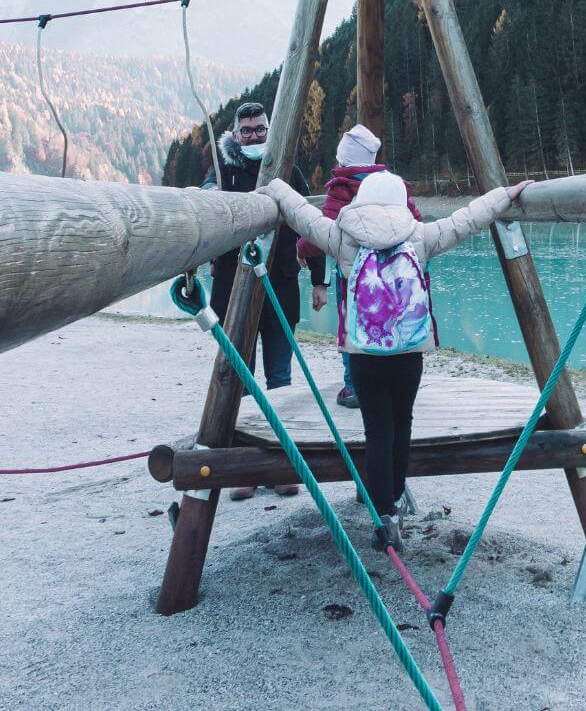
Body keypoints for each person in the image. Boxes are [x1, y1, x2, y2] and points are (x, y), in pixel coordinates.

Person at [261, 170, 533, 551]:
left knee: (377, 431)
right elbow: (468, 219)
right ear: (399, 201)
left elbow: (300, 213)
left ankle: (382, 513)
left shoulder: (341, 237)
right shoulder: (419, 236)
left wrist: (275, 185)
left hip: (364, 356)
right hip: (408, 354)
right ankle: (397, 494)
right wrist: (505, 193)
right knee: (402, 423)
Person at [202, 101, 327, 499]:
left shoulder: (287, 169)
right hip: (231, 291)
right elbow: (204, 208)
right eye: (247, 130)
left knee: (280, 381)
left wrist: (321, 280)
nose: (254, 136)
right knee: (240, 379)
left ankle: (279, 465)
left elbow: (311, 225)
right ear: (235, 134)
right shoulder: (222, 171)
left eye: (260, 129)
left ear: (269, 131)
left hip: (281, 290)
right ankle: (244, 469)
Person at [296, 124, 422, 410]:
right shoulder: (394, 185)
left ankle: (354, 388)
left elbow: (324, 231)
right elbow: (416, 221)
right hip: (394, 275)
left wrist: (301, 249)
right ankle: (392, 383)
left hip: (354, 276)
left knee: (352, 328)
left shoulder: (343, 188)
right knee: (393, 321)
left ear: (345, 160)